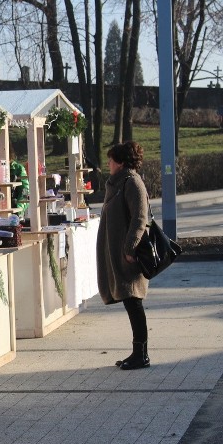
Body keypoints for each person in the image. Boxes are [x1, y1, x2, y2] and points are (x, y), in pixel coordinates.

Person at [96, 141, 151, 370]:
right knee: (131, 303)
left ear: (120, 162)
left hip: (130, 256)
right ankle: (138, 352)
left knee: (134, 303)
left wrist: (129, 249)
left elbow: (140, 219)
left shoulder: (132, 182)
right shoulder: (118, 183)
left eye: (110, 160)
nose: (107, 163)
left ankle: (142, 354)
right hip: (120, 255)